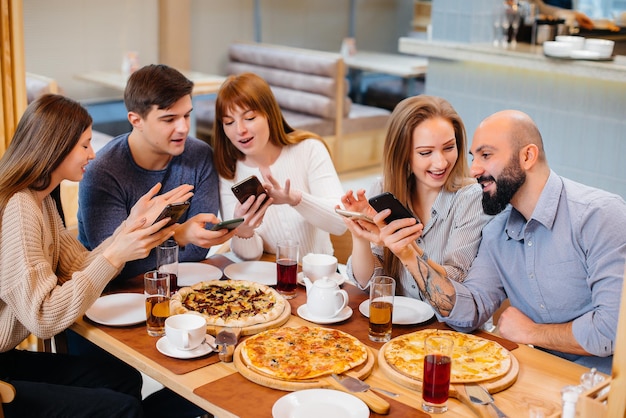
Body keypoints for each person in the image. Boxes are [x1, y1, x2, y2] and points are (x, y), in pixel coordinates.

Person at [378, 109, 626, 374]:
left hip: (608, 388)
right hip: (538, 375)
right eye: (474, 157)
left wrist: (532, 333)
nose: (473, 170)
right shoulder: (497, 231)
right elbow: (467, 312)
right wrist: (408, 253)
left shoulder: (600, 216)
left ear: (527, 156)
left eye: (486, 155)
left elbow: (611, 331)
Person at [0, 94, 192, 417]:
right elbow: (44, 317)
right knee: (124, 409)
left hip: (8, 359)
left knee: (125, 379)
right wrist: (116, 254)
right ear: (55, 146)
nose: (92, 153)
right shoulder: (21, 208)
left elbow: (77, 266)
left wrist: (128, 229)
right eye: (85, 145)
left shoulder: (41, 198)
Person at [78, 64, 233, 281]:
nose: (183, 128)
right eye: (169, 119)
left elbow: (198, 249)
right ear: (136, 120)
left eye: (186, 115)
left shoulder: (201, 156)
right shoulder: (103, 171)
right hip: (112, 296)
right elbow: (114, 266)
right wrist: (179, 235)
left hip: (183, 285)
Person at [341, 95, 492, 299]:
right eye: (425, 152)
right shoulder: (383, 188)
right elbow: (370, 282)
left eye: (448, 148)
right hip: (399, 325)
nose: (440, 163)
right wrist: (360, 235)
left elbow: (456, 283)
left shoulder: (472, 199)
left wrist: (408, 251)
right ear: (403, 155)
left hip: (448, 328)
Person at [213, 72, 347, 260]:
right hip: (265, 281)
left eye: (249, 118)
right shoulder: (228, 172)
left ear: (269, 114)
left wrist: (295, 199)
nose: (240, 130)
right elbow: (250, 256)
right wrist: (244, 231)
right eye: (229, 122)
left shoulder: (309, 149)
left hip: (318, 278)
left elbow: (340, 223)